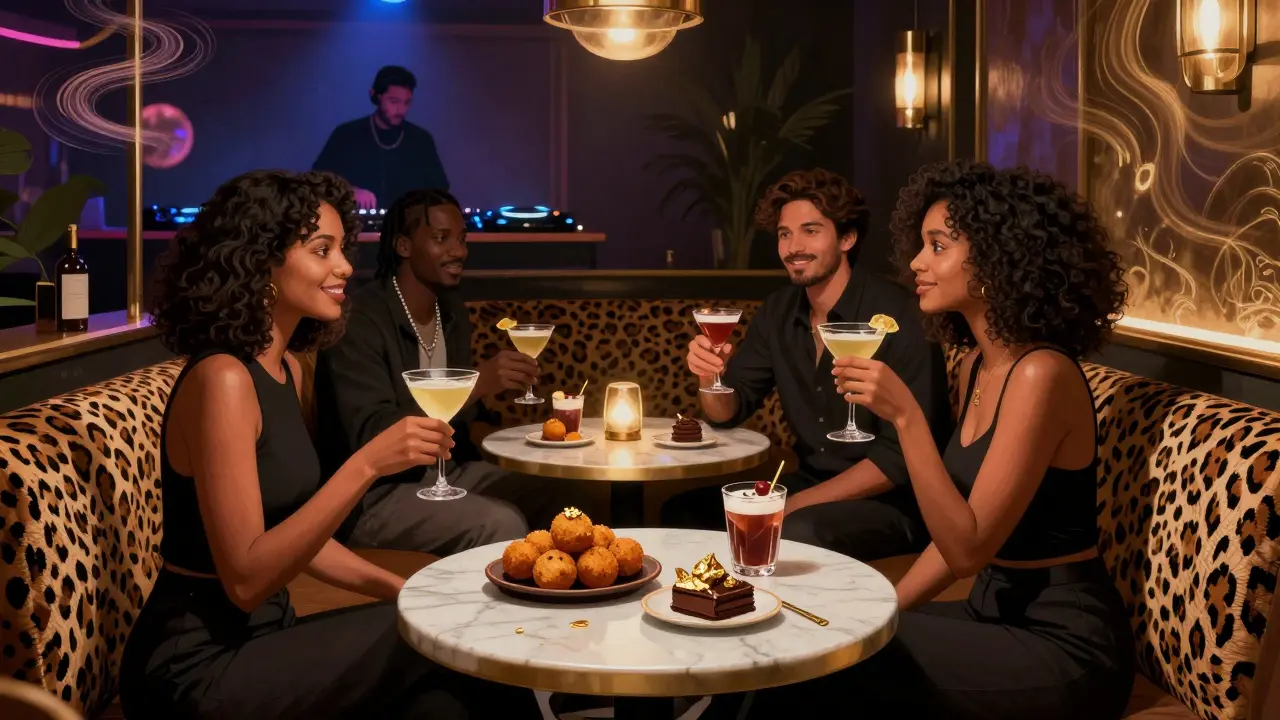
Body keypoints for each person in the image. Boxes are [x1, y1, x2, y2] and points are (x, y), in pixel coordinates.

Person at [118, 170, 538, 720]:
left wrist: (399, 587)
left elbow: (297, 533)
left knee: (447, 701)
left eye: (343, 249)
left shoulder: (286, 369)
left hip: (268, 634)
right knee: (449, 638)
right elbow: (245, 581)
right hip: (196, 663)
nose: (343, 267)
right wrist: (366, 465)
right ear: (262, 261)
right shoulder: (223, 380)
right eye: (322, 250)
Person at [740, 159, 1135, 719]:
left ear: (997, 259)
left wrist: (906, 417)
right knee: (814, 635)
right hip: (990, 610)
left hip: (1063, 641)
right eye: (922, 245)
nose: (916, 262)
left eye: (938, 246)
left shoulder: (1040, 375)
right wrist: (881, 610)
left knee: (826, 662)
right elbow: (953, 546)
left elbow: (968, 549)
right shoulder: (978, 365)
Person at [660, 168, 952, 561]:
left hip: (893, 502)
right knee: (682, 513)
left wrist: (793, 505)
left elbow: (897, 461)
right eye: (785, 234)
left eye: (810, 231)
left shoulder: (898, 315)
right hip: (807, 483)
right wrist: (709, 376)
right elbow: (727, 412)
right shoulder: (778, 312)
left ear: (847, 238)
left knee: (797, 530)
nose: (793, 247)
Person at [314, 188, 593, 555]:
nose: (458, 251)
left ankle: (562, 590)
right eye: (441, 238)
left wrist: (511, 433)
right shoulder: (361, 319)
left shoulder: (452, 314)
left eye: (461, 239)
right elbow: (372, 433)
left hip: (448, 472)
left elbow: (463, 421)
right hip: (372, 494)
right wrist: (477, 384)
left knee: (564, 494)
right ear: (403, 246)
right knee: (500, 521)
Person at [312, 65, 449, 210]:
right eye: (394, 101)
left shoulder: (421, 140)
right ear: (376, 96)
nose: (401, 110)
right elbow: (318, 180)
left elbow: (439, 190)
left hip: (409, 222)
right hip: (356, 222)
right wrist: (350, 190)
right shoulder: (346, 135)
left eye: (407, 102)